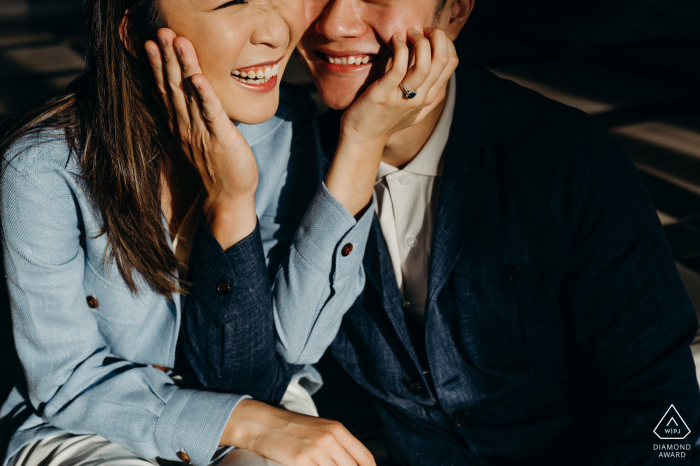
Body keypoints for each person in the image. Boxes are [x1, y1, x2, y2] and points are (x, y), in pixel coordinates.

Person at [189, 0, 700, 463]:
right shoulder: (280, 161)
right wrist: (359, 143)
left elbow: (661, 402)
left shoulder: (563, 158)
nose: (335, 24)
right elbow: (246, 381)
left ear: (454, 11)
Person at [0, 0, 454, 465]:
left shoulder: (283, 131)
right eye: (233, 3)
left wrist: (358, 143)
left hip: (262, 394)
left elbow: (293, 345)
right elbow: (66, 381)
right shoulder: (42, 168)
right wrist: (254, 423)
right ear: (136, 32)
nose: (276, 33)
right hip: (94, 421)